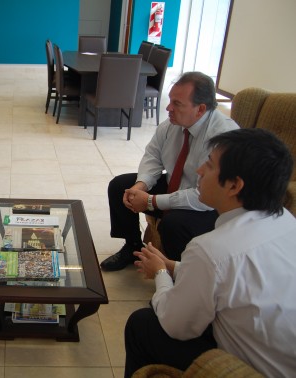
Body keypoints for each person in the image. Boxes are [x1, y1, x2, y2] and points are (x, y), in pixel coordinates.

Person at [124, 128, 296, 377]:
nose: (199, 171)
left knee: (143, 324)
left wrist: (161, 274)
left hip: (254, 369)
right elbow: (236, 281)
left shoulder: (211, 249)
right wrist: (173, 266)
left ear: (235, 185)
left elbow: (174, 325)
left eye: (210, 165)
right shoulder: (286, 223)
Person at [101, 71, 239, 271]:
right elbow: (153, 156)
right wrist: (140, 187)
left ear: (200, 109)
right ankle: (132, 246)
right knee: (120, 187)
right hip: (177, 184)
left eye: (177, 104)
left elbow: (203, 196)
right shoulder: (172, 124)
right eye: (171, 100)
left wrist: (149, 200)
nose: (168, 108)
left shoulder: (223, 137)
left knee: (174, 223)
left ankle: (176, 274)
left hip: (209, 205)